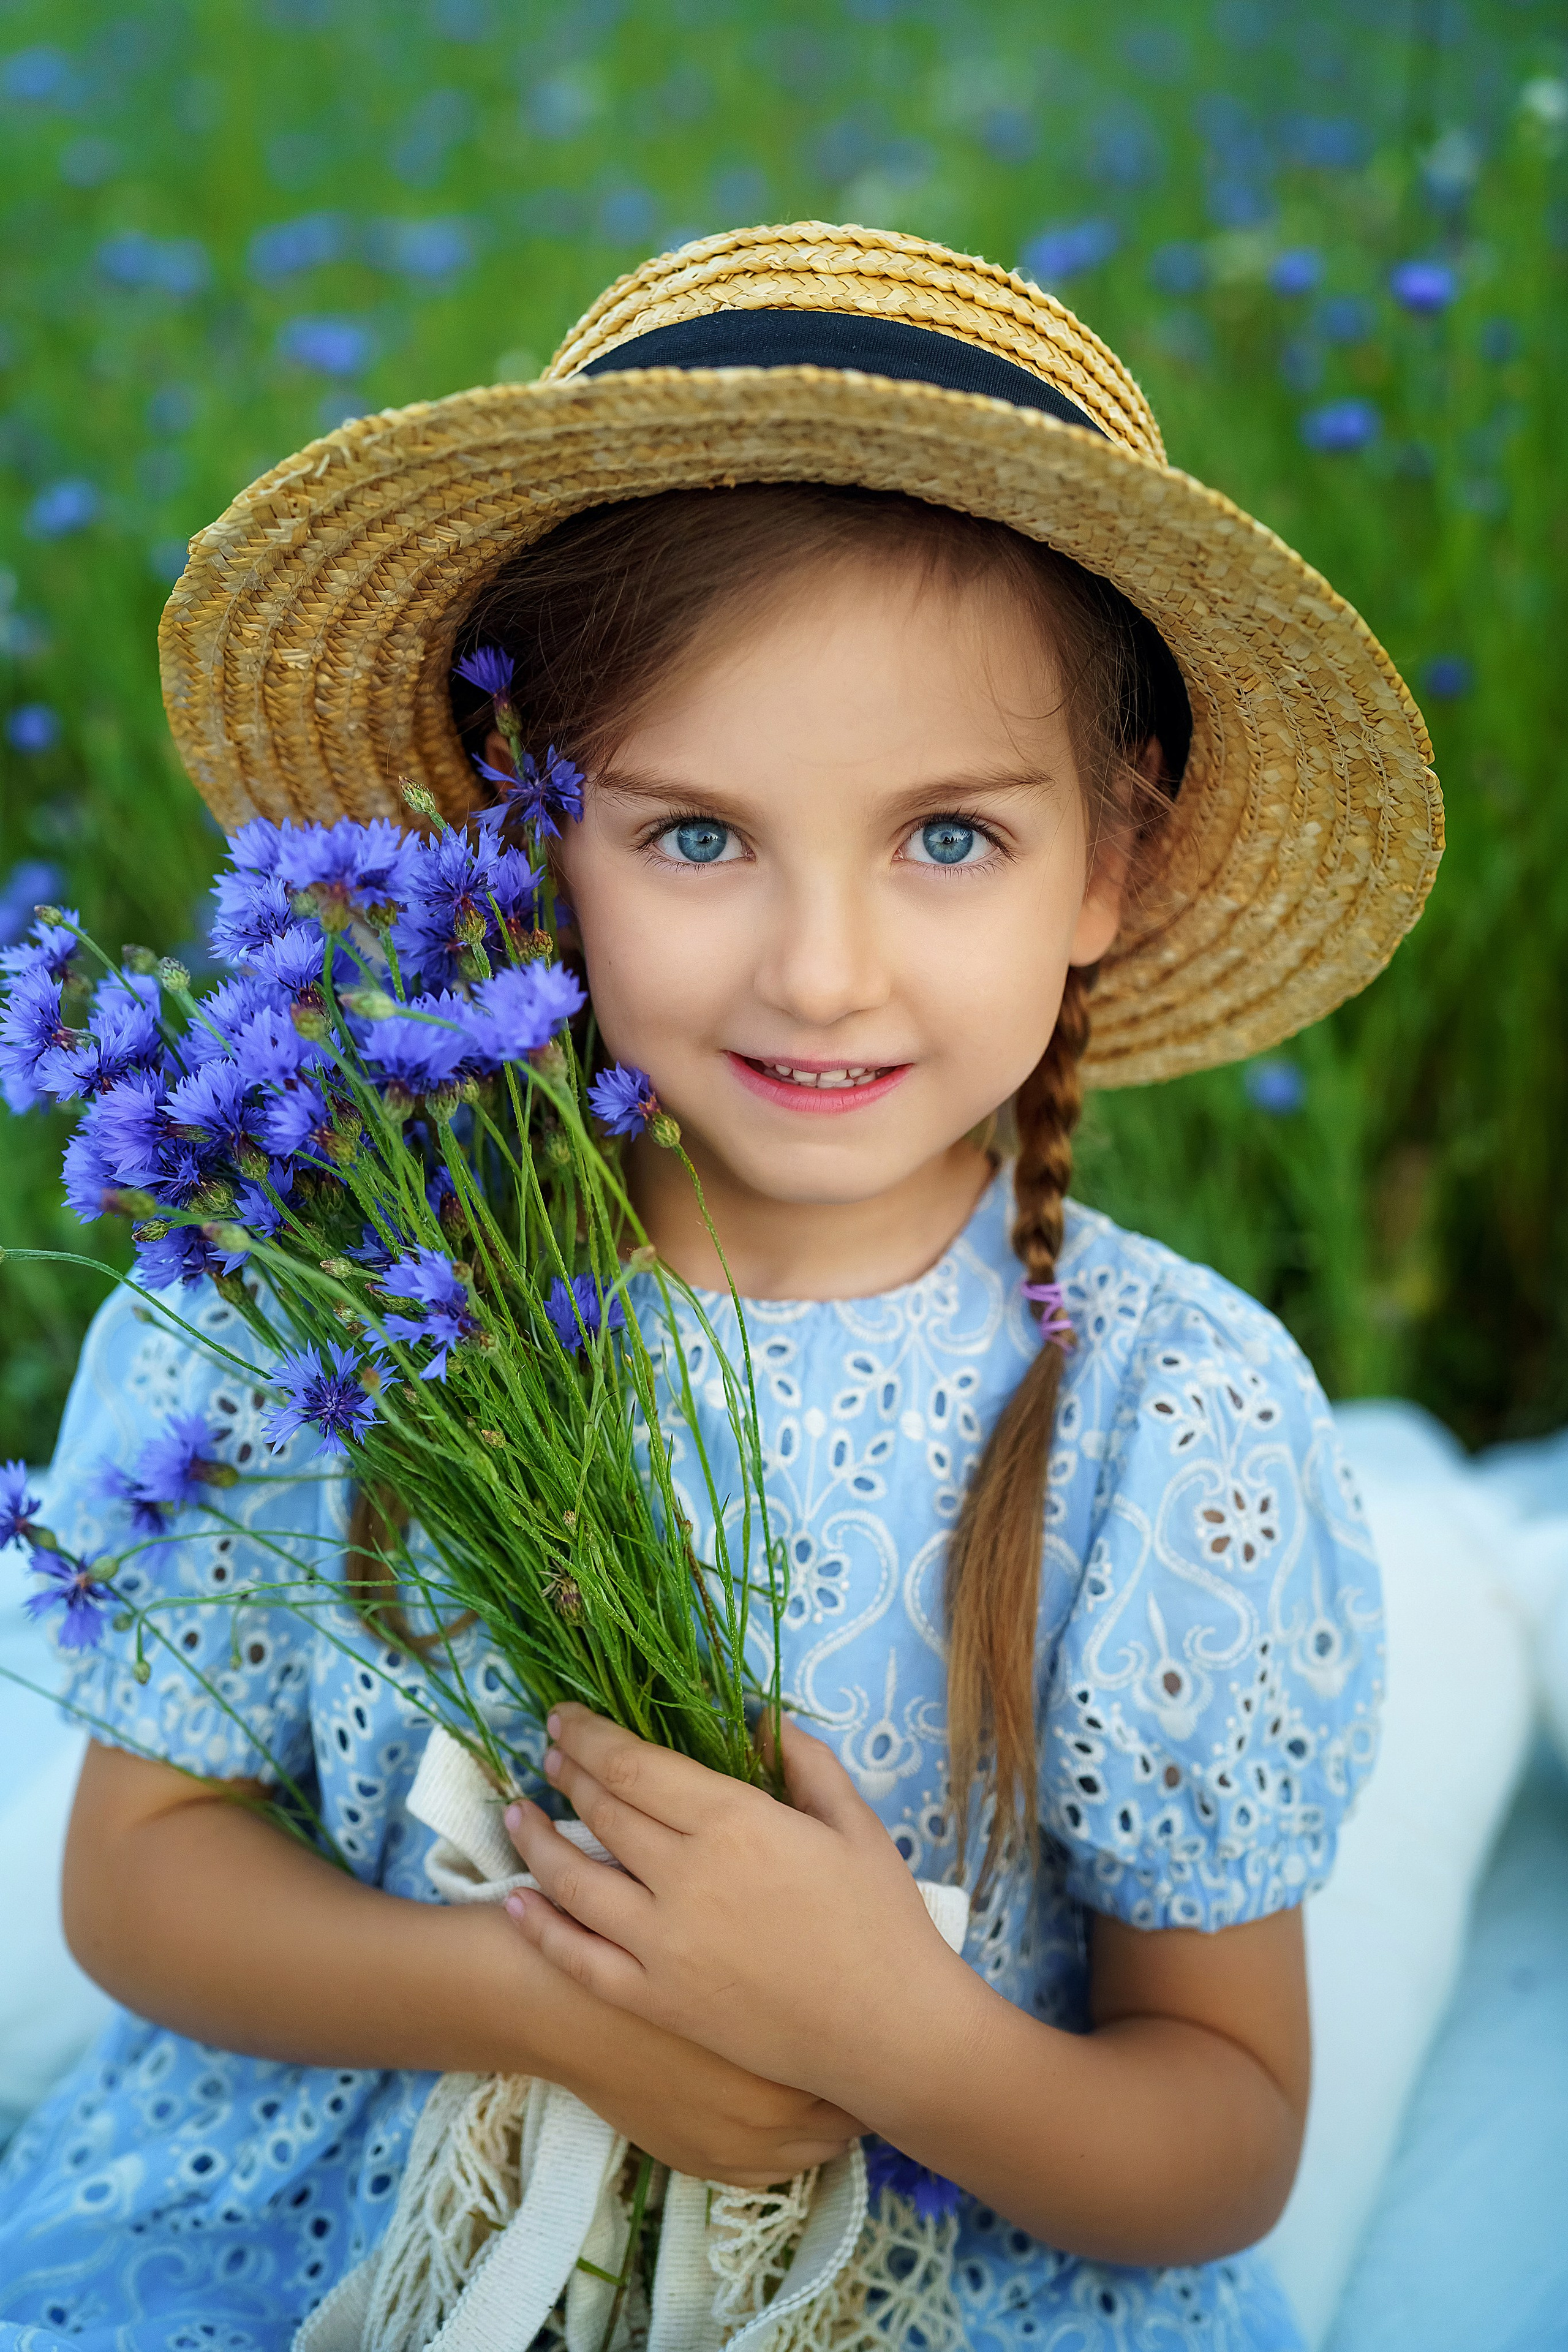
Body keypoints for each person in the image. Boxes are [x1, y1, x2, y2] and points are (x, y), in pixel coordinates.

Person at [0, 223, 1439, 2350]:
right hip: (332, 2238)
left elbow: (1217, 2138)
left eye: (948, 835)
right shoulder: (324, 1314)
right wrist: (544, 1999)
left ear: (1113, 862)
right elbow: (138, 1881)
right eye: (695, 837)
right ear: (527, 834)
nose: (821, 969)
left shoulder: (1166, 1418)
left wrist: (892, 2033)